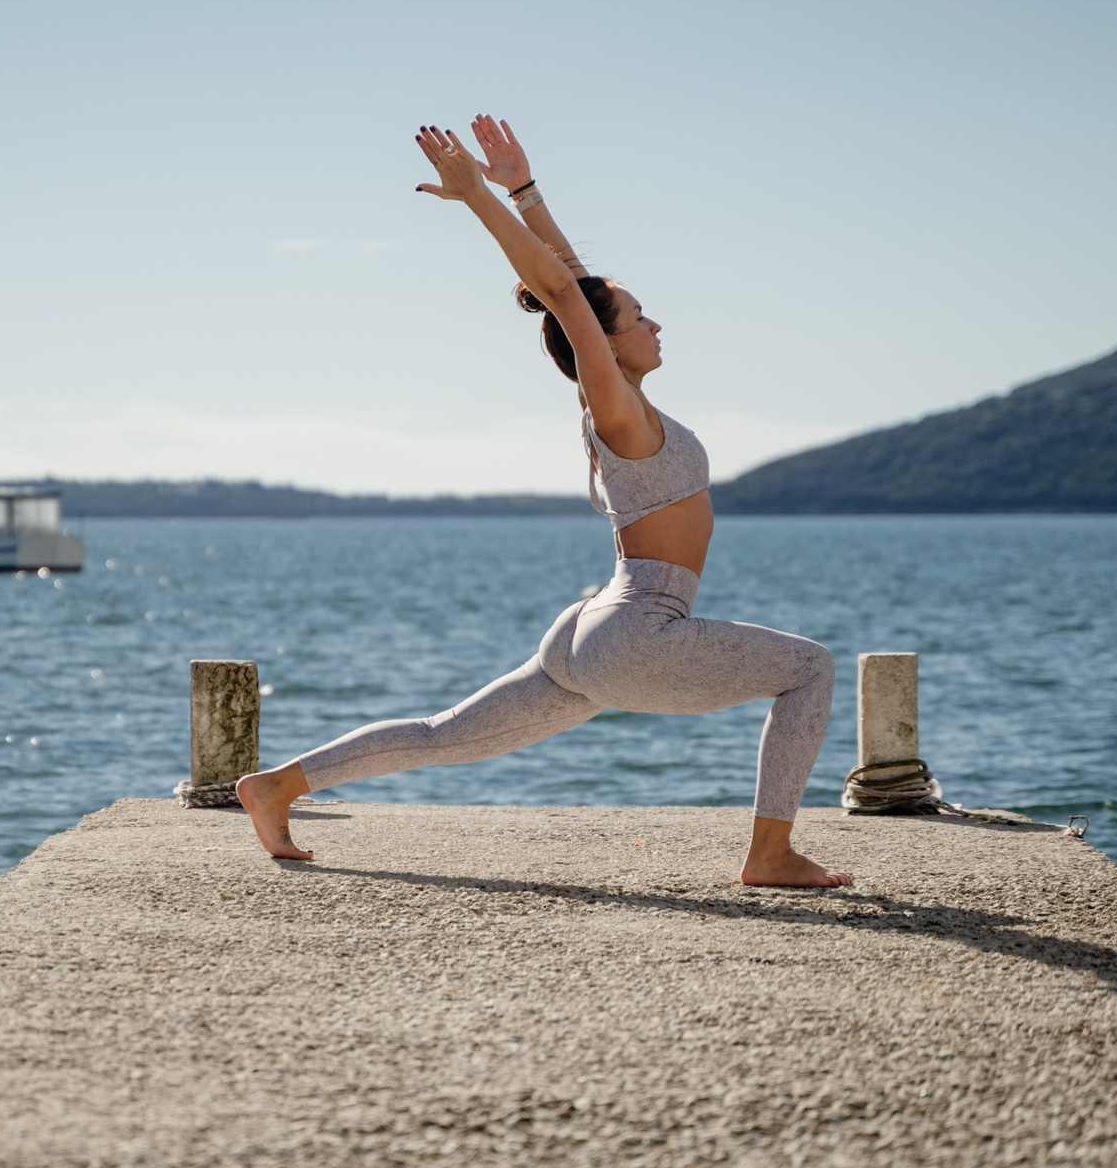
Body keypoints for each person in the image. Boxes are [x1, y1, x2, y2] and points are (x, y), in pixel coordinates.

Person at [235, 117, 851, 888]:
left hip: (596, 627)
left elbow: (573, 287)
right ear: (607, 343)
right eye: (639, 319)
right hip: (638, 630)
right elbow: (566, 297)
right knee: (810, 669)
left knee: (445, 734)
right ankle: (769, 854)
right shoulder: (617, 411)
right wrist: (477, 202)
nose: (656, 324)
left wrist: (526, 192)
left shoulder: (625, 403)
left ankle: (276, 786)